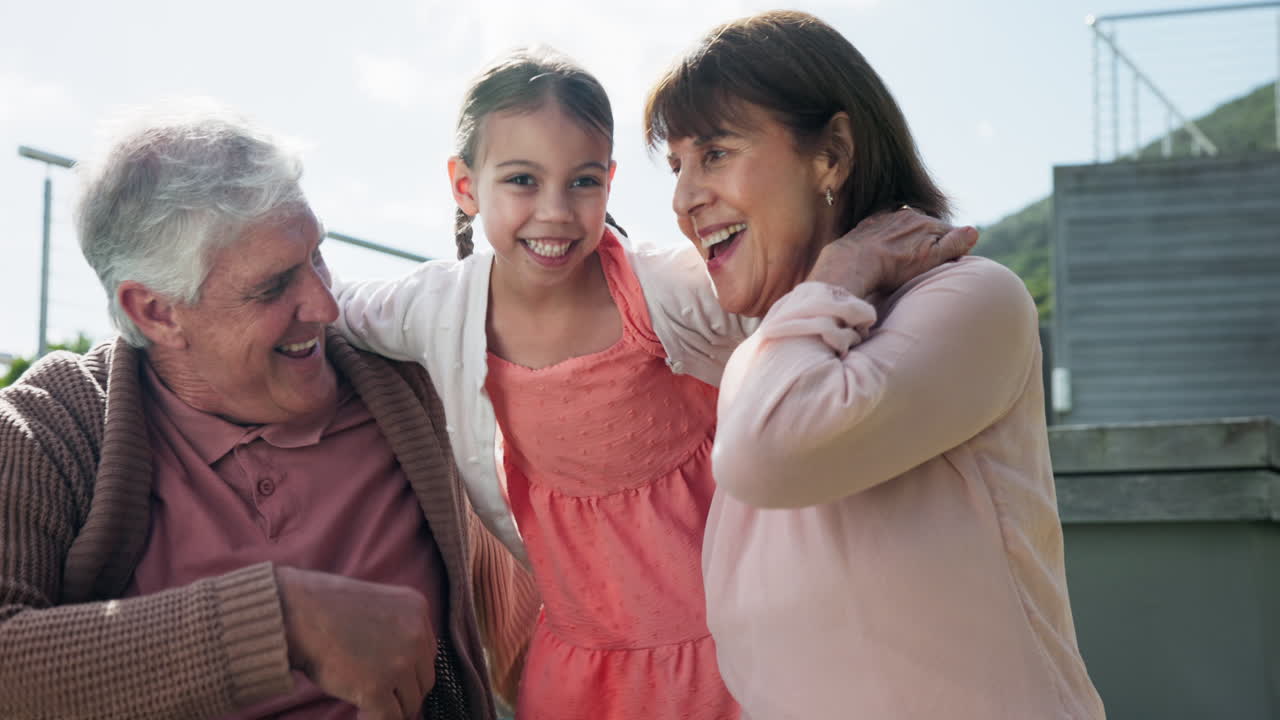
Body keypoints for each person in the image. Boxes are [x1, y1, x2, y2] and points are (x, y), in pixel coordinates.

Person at [331, 47, 969, 719]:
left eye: (582, 182)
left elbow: (794, 307)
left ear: (609, 182)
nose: (555, 211)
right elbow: (322, 308)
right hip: (581, 671)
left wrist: (857, 261)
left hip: (737, 654)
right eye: (522, 180)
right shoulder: (432, 309)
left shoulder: (665, 291)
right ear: (465, 186)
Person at [0, 101, 537, 720]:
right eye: (274, 286)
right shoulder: (47, 427)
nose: (324, 305)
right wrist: (281, 620)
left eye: (316, 257)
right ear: (156, 311)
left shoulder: (400, 382)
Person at [646, 10, 1106, 720]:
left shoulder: (974, 301)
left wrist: (843, 269)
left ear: (831, 153)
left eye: (713, 153)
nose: (683, 199)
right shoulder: (769, 353)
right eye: (675, 166)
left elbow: (767, 453)